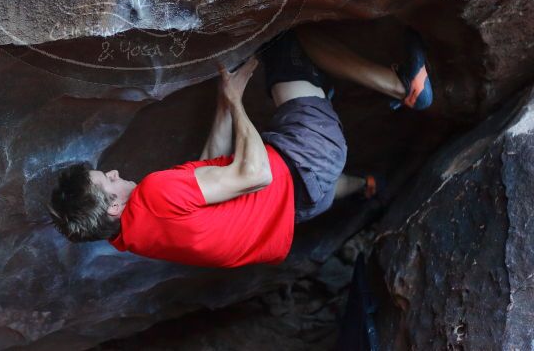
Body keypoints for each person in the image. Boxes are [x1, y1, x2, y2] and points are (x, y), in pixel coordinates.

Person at [48, 26, 433, 267]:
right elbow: (256, 173)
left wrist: (221, 104)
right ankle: (404, 86)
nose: (114, 172)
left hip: (300, 205)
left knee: (322, 186)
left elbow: (202, 172)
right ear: (114, 206)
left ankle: (368, 186)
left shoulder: (133, 238)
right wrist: (236, 101)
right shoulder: (153, 192)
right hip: (309, 152)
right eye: (107, 180)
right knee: (285, 42)